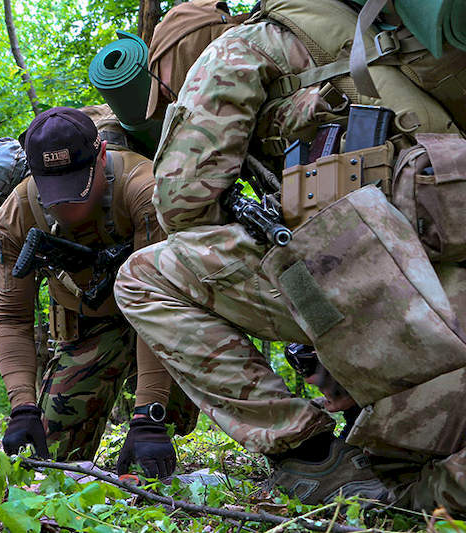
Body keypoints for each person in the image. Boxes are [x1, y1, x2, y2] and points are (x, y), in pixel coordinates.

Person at [114, 0, 466, 510]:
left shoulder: (244, 47)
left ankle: (311, 456)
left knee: (145, 276)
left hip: (391, 297)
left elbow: (181, 201)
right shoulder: (401, 39)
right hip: (445, 282)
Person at [0, 107, 198, 478]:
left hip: (165, 317)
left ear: (102, 155)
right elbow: (10, 317)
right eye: (55, 193)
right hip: (90, 323)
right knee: (52, 456)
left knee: (174, 415)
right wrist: (22, 406)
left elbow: (164, 300)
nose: (69, 207)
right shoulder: (17, 215)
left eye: (77, 188)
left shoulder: (145, 189)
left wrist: (148, 415)